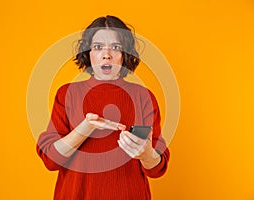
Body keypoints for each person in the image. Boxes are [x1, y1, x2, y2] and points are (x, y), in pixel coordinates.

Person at [36, 15, 170, 200]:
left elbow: (157, 169)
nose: (106, 54)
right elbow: (51, 161)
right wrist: (86, 127)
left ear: (125, 55)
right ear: (88, 53)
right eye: (98, 47)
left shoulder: (143, 97)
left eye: (115, 47)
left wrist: (146, 154)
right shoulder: (67, 94)